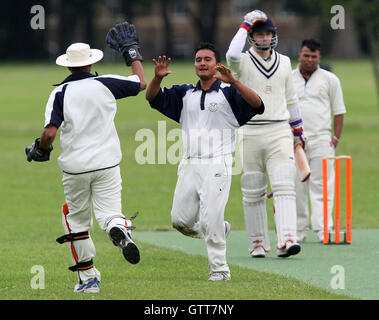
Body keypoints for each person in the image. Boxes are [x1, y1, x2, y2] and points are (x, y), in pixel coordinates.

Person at [25, 22, 146, 293]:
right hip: (107, 164)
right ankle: (120, 229)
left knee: (76, 220)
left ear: (68, 66)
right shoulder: (105, 83)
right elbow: (141, 83)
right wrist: (132, 52)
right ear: (91, 64)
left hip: (76, 169)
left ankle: (88, 279)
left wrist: (40, 150)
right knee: (110, 213)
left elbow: (49, 133)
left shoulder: (60, 92)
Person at [146, 42, 264, 280]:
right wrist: (157, 78)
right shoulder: (185, 94)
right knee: (180, 220)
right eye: (198, 59)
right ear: (194, 65)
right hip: (189, 163)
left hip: (217, 163)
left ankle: (220, 270)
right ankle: (220, 228)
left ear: (216, 64)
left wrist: (236, 82)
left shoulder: (229, 93)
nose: (202, 63)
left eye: (207, 59)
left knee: (210, 218)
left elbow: (258, 104)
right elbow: (152, 98)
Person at [226, 10, 305, 258]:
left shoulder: (284, 62)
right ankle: (257, 242)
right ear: (252, 37)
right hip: (250, 132)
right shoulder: (242, 61)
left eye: (268, 34)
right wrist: (244, 24)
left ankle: (288, 238)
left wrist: (298, 130)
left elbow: (291, 98)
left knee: (284, 183)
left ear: (274, 36)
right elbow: (230, 54)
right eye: (259, 34)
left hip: (279, 130)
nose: (264, 38)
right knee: (253, 188)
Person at [293, 39, 346, 242]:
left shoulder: (330, 79)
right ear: (299, 55)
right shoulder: (288, 78)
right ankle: (299, 231)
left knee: (322, 185)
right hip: (295, 141)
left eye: (314, 56)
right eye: (306, 55)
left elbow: (339, 110)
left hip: (322, 139)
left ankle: (324, 229)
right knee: (296, 185)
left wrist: (335, 138)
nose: (309, 60)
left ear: (319, 58)